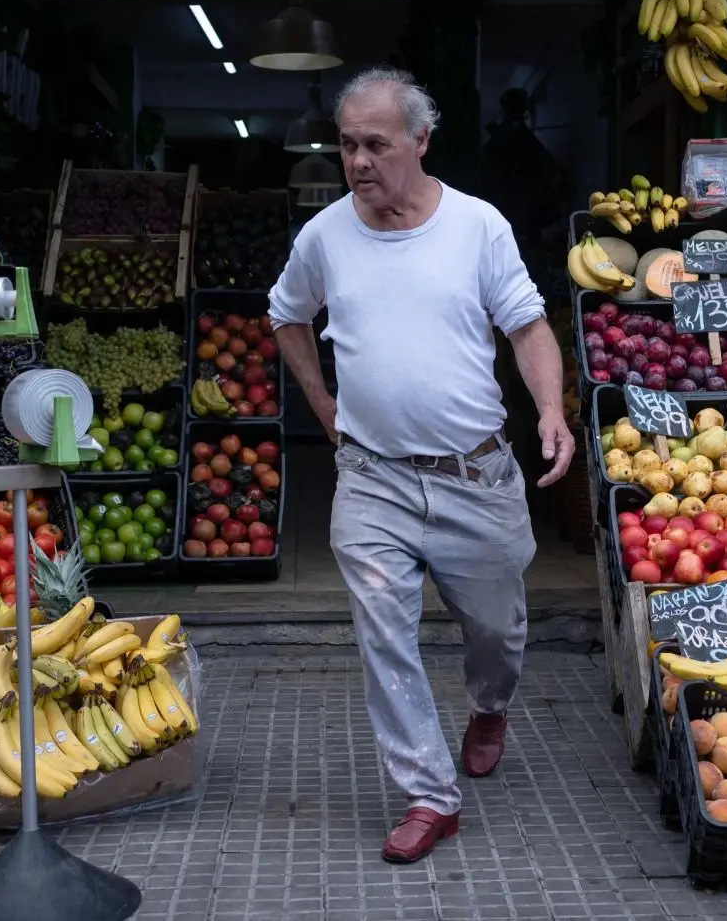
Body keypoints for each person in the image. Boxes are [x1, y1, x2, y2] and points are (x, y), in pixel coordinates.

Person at [267, 66, 576, 864]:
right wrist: (323, 405)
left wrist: (549, 409)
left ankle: (490, 703)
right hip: (372, 479)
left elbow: (528, 326)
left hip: (476, 475)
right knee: (385, 633)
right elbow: (286, 315)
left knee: (497, 630)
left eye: (376, 144)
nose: (358, 161)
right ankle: (429, 793)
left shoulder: (477, 226)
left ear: (421, 140)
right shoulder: (324, 235)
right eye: (347, 145)